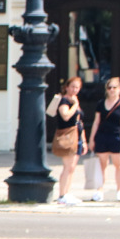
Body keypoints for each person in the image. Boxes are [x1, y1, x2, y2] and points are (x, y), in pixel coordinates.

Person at [87, 76, 120, 202]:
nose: (111, 90)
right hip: (102, 136)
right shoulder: (101, 103)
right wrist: (91, 138)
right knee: (101, 165)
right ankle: (99, 190)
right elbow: (96, 122)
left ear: (119, 89)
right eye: (109, 88)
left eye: (114, 87)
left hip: (117, 136)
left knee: (119, 164)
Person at [50, 76, 86, 205]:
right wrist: (75, 105)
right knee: (67, 167)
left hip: (77, 137)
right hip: (67, 136)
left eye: (77, 87)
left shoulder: (74, 100)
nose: (74, 90)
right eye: (72, 87)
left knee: (72, 168)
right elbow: (65, 116)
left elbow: (79, 122)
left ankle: (67, 192)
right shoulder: (64, 100)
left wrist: (84, 140)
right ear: (67, 87)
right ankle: (62, 194)